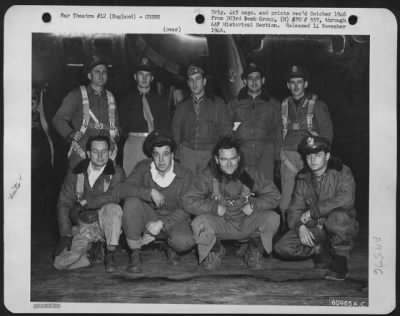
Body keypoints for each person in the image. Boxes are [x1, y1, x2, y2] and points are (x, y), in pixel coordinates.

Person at [183, 136, 281, 270]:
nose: (229, 164)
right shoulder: (209, 176)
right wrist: (213, 208)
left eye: (233, 159)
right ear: (217, 160)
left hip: (246, 221)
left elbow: (274, 196)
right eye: (224, 159)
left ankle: (254, 250)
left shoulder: (249, 174)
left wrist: (254, 205)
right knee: (198, 223)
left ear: (239, 158)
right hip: (221, 222)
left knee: (273, 218)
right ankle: (215, 250)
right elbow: (188, 201)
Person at [274, 136, 359, 280]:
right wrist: (300, 226)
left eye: (318, 155)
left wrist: (314, 211)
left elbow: (346, 199)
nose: (313, 160)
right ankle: (321, 249)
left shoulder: (341, 171)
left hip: (340, 224)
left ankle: (340, 260)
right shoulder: (303, 177)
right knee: (282, 247)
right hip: (317, 227)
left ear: (327, 156)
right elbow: (295, 209)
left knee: (338, 216)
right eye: (309, 155)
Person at [118, 130, 195, 273]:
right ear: (151, 156)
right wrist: (149, 192)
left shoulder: (186, 174)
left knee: (185, 242)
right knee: (131, 202)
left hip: (174, 219)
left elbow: (187, 208)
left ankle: (170, 246)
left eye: (165, 154)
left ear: (172, 154)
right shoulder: (143, 167)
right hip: (149, 216)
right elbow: (123, 189)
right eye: (156, 154)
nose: (161, 160)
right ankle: (135, 253)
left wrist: (162, 223)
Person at [53, 135, 126, 272]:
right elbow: (64, 202)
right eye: (95, 151)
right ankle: (88, 256)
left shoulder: (117, 172)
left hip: (104, 225)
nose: (100, 156)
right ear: (88, 154)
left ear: (110, 153)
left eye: (104, 151)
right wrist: (66, 234)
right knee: (59, 263)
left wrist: (86, 203)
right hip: (83, 228)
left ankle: (110, 253)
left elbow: (115, 196)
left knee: (113, 209)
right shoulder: (75, 173)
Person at [277, 65, 333, 222]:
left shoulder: (318, 105)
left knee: (312, 192)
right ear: (288, 85)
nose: (295, 86)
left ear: (305, 84)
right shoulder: (283, 106)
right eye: (292, 82)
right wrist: (277, 156)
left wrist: (323, 155)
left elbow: (327, 132)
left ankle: (315, 224)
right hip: (287, 156)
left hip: (310, 156)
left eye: (299, 82)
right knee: (287, 194)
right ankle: (286, 224)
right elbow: (277, 131)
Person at [52, 57, 120, 169]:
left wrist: (116, 134)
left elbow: (117, 125)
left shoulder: (111, 97)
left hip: (107, 153)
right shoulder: (76, 95)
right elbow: (58, 119)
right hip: (83, 152)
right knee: (80, 184)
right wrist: (70, 133)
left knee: (107, 185)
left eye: (104, 72)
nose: (101, 75)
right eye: (97, 72)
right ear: (89, 76)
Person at [172, 64, 232, 175]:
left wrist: (221, 153)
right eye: (191, 80)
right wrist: (177, 154)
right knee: (189, 188)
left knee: (210, 187)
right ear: (188, 83)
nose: (195, 84)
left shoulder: (218, 104)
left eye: (198, 79)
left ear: (204, 81)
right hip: (187, 153)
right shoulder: (182, 106)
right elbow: (176, 131)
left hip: (210, 153)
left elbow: (226, 130)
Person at [119, 57, 172, 176]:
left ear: (152, 78)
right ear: (135, 77)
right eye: (140, 74)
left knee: (154, 179)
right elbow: (121, 125)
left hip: (154, 144)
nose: (144, 78)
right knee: (132, 179)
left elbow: (166, 127)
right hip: (133, 144)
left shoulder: (160, 101)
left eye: (147, 75)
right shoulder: (126, 100)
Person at [229, 62, 281, 182]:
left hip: (266, 151)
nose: (254, 82)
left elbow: (279, 132)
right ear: (245, 81)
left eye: (257, 78)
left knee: (265, 189)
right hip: (242, 151)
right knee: (242, 187)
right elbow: (226, 129)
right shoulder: (233, 104)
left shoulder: (274, 104)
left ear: (263, 80)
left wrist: (277, 158)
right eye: (250, 78)